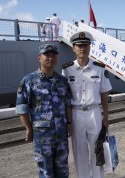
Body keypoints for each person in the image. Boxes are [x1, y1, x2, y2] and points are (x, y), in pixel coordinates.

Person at [16, 44, 72, 177]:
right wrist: (28, 128)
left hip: (61, 136)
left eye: (54, 55)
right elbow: (22, 108)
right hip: (42, 137)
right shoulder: (29, 80)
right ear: (39, 57)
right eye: (47, 55)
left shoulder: (63, 81)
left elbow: (68, 104)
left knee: (63, 171)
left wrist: (69, 123)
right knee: (46, 172)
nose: (51, 58)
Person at [62, 31, 112, 178]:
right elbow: (66, 97)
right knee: (80, 151)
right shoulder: (67, 69)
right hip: (76, 113)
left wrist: (106, 116)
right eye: (79, 45)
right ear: (73, 48)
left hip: (94, 113)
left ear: (90, 47)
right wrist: (69, 121)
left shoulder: (99, 68)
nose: (82, 48)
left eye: (85, 45)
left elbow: (104, 94)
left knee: (98, 149)